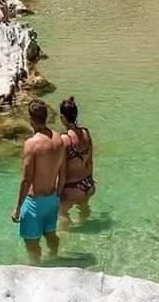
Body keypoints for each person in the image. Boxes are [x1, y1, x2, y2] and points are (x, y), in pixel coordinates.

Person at [12, 100, 67, 262]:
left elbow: (26, 180)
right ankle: (55, 259)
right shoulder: (59, 140)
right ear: (46, 117)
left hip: (34, 203)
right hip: (52, 199)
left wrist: (17, 208)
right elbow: (62, 174)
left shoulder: (31, 144)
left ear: (31, 120)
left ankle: (36, 269)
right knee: (51, 234)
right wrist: (57, 196)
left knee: (31, 243)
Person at [58, 96, 95, 224]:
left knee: (62, 212)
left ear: (62, 118)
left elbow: (62, 173)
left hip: (72, 189)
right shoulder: (86, 133)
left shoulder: (64, 139)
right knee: (84, 210)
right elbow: (90, 162)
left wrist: (57, 194)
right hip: (88, 185)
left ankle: (63, 243)